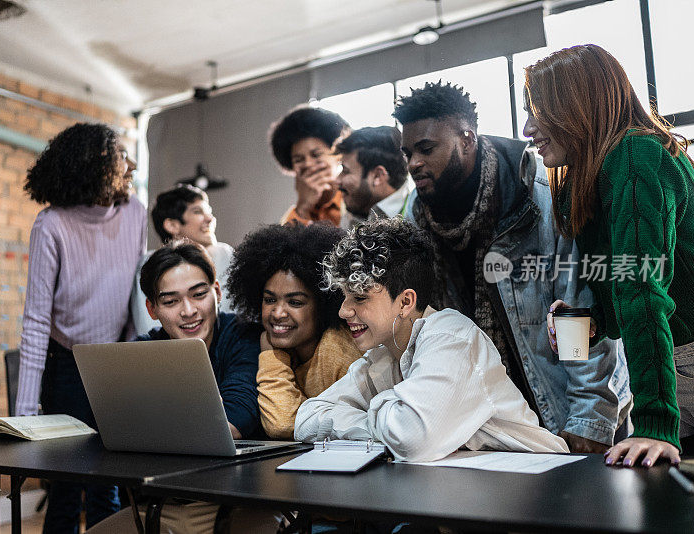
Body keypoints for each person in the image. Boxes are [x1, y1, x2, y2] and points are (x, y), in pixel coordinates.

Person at [393, 81, 632, 454]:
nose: (413, 164)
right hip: (491, 424)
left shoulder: (539, 194)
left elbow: (576, 309)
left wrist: (589, 418)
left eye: (426, 149)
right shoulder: (417, 220)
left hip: (563, 412)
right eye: (407, 153)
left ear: (467, 139)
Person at [523, 44, 694, 468]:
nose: (529, 127)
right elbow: (619, 289)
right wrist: (590, 326)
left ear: (574, 105)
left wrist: (653, 424)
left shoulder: (637, 155)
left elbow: (642, 291)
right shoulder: (582, 181)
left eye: (537, 110)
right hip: (673, 366)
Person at [294, 218, 569, 461]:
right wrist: (382, 416)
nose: (343, 310)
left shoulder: (451, 338)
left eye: (360, 297)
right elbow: (305, 420)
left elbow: (411, 439)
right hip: (470, 499)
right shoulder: (384, 354)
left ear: (405, 301)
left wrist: (380, 407)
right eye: (344, 296)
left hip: (538, 491)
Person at [16, 123, 146, 533]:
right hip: (67, 365)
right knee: (67, 487)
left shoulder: (135, 212)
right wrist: (23, 413)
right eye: (121, 157)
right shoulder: (51, 225)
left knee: (108, 485)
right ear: (94, 166)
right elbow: (36, 320)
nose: (132, 165)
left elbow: (135, 297)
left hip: (117, 364)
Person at [90, 241, 267, 534]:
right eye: (171, 302)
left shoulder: (244, 335)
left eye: (199, 295)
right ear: (152, 308)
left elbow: (235, 418)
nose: (188, 311)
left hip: (236, 503)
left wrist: (155, 424)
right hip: (160, 505)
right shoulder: (141, 351)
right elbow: (113, 428)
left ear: (217, 292)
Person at [226, 224, 362, 439]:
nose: (278, 313)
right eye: (270, 300)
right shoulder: (290, 347)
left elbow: (283, 425)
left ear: (324, 304)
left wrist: (271, 355)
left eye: (295, 302)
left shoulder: (336, 351)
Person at [130, 184, 234, 335]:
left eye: (209, 212)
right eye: (198, 212)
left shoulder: (224, 253)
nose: (210, 219)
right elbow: (146, 326)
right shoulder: (149, 264)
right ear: (172, 225)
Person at [269, 106, 350, 226]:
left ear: (337, 156)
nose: (308, 164)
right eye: (298, 160)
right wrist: (303, 207)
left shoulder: (353, 202)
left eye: (316, 155)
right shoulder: (291, 218)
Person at [335, 126, 415, 224]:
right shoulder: (356, 210)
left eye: (346, 171)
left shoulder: (418, 219)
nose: (337, 180)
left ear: (378, 176)